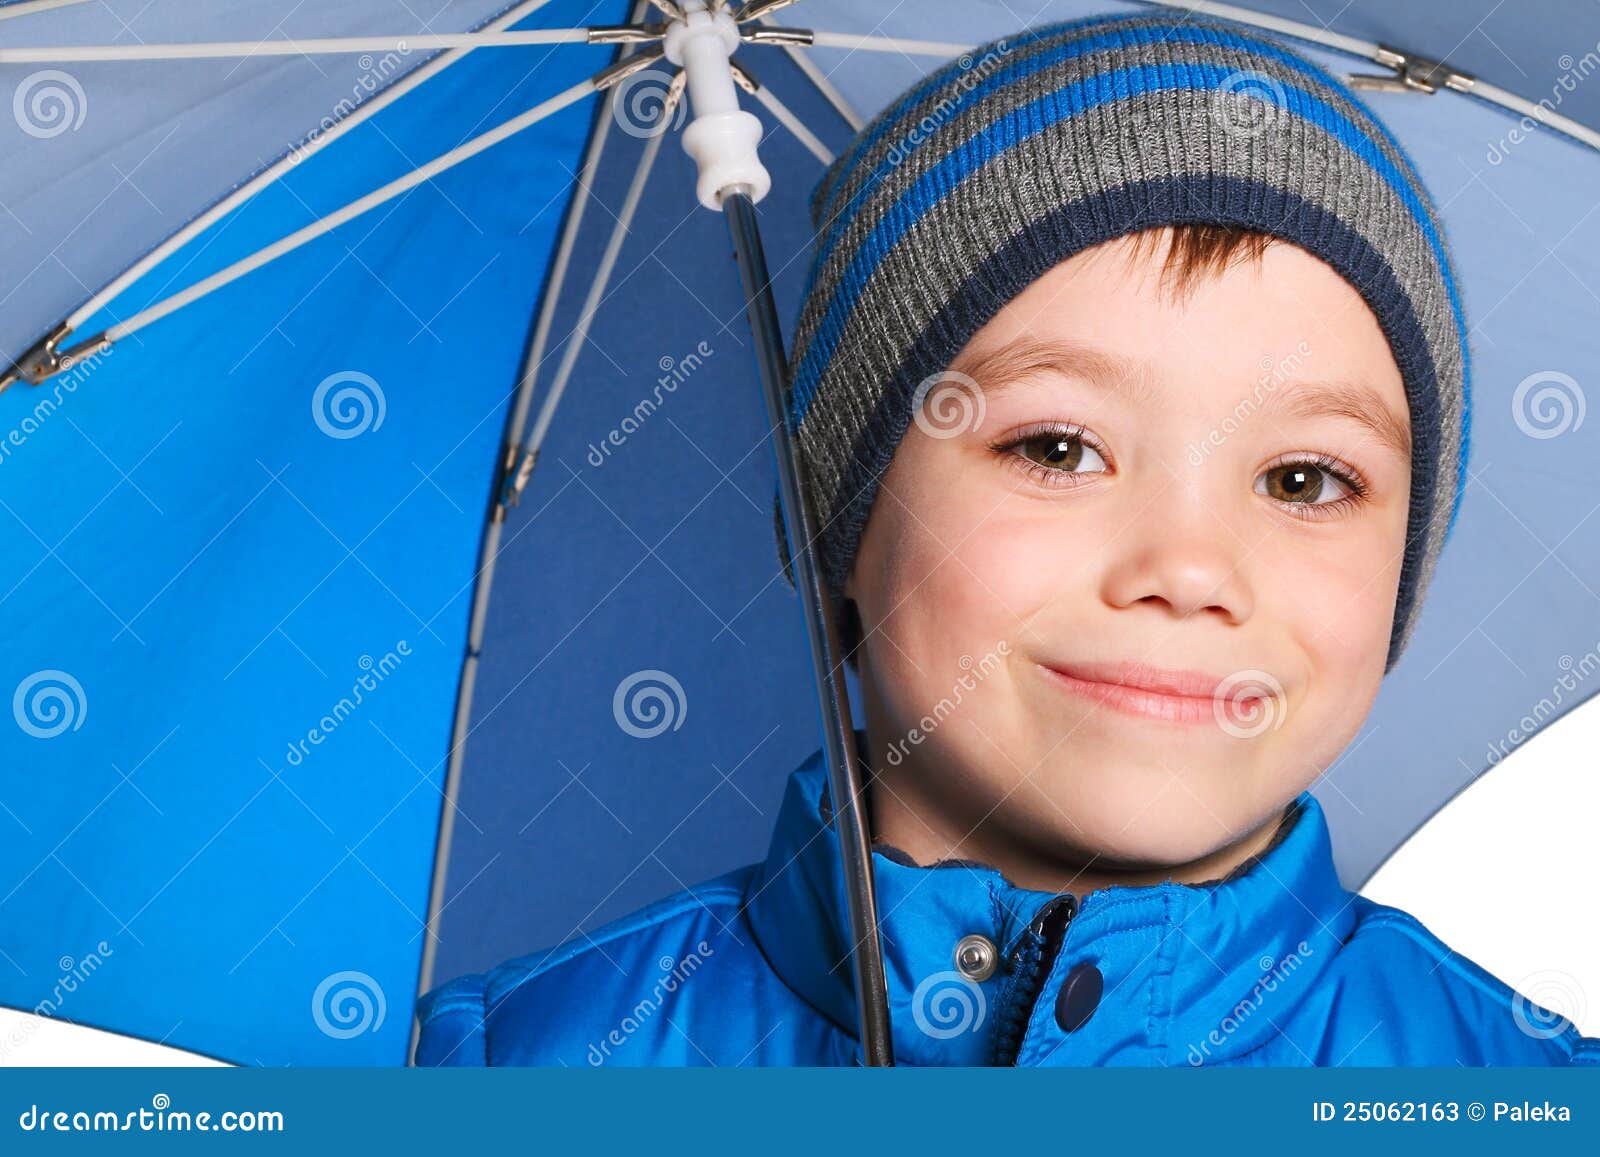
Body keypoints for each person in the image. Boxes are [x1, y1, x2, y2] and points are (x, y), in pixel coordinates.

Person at [414, 12, 1598, 1067]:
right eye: (1057, 449)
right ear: (840, 517)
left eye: (1301, 476)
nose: (1186, 567)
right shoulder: (520, 1066)